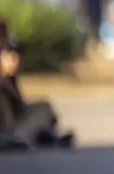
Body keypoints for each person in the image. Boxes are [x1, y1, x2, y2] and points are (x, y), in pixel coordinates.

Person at [0, 18, 74, 150]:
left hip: (15, 122)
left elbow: (20, 108)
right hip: (7, 128)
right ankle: (19, 138)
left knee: (43, 108)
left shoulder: (10, 78)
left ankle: (40, 137)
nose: (15, 61)